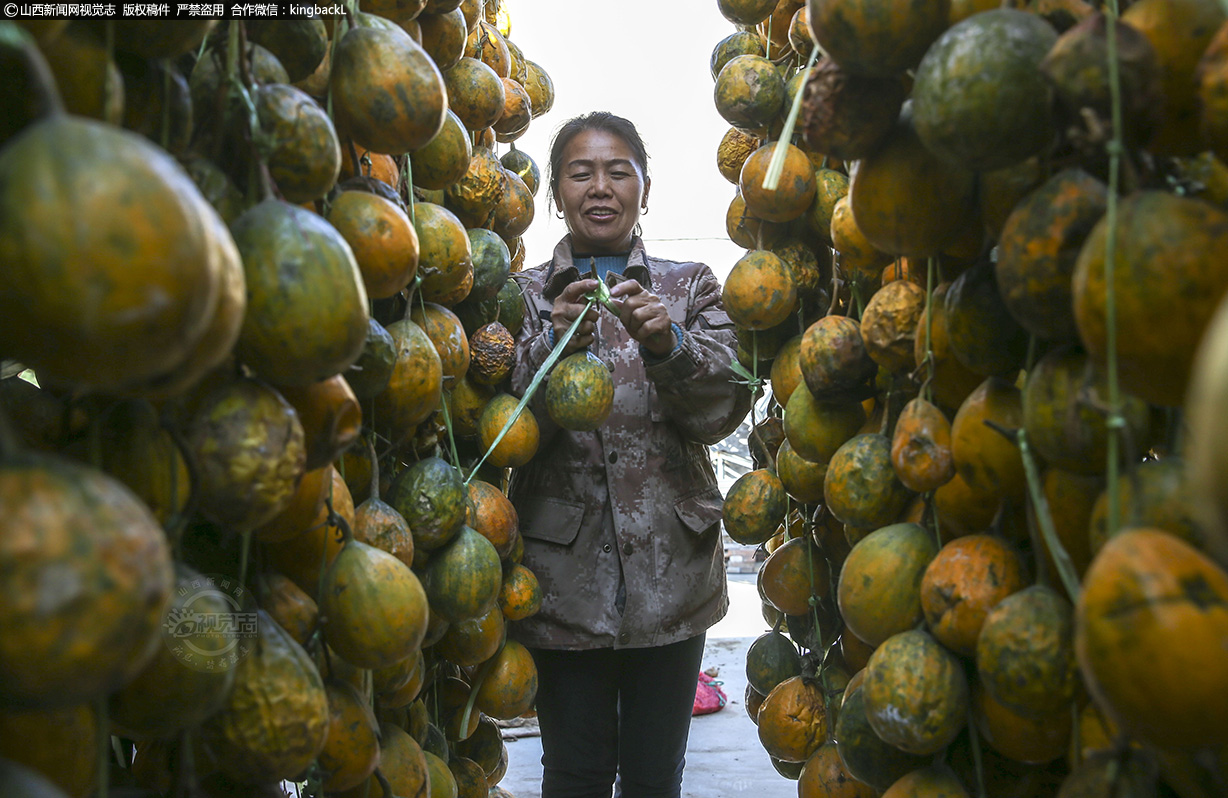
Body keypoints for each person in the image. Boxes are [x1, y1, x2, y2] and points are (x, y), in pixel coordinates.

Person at [507, 111, 753, 798]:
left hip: (672, 574)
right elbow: (504, 433)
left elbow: (720, 411)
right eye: (580, 173)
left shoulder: (692, 285)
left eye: (619, 171)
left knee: (653, 774)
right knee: (576, 772)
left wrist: (669, 345)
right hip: (561, 580)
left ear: (645, 187)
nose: (601, 187)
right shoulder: (525, 295)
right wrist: (552, 348)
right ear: (556, 192)